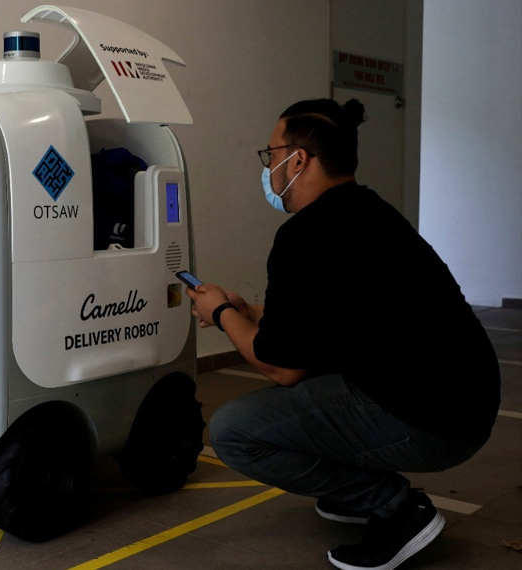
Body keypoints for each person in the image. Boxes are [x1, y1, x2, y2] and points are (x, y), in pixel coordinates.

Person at [186, 98, 500, 570]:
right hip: (467, 401)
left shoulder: (305, 236)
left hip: (434, 421)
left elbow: (281, 367)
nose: (267, 166)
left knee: (235, 431)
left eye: (270, 154)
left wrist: (224, 311)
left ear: (298, 159)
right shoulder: (369, 212)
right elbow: (327, 314)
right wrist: (247, 308)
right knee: (314, 378)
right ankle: (356, 492)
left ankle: (393, 507)